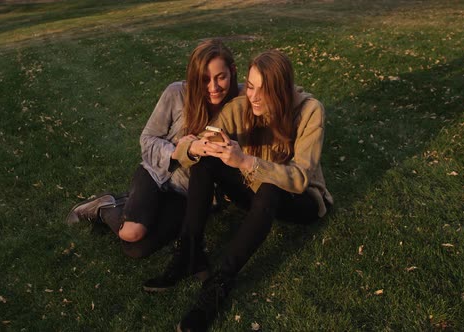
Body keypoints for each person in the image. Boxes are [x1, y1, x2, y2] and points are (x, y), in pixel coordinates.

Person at [143, 50, 333, 331]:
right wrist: (199, 146)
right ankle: (188, 252)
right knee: (206, 161)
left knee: (270, 187)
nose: (253, 96)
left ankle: (220, 283)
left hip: (301, 200)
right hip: (253, 190)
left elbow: (299, 177)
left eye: (263, 90)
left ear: (281, 90)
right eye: (251, 85)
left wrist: (245, 161)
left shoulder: (309, 111)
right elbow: (201, 142)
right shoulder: (241, 107)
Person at [65, 39, 239, 259]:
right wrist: (177, 152)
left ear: (232, 71)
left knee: (137, 249)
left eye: (220, 77)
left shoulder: (241, 102)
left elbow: (274, 91)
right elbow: (147, 139)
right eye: (205, 79)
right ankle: (105, 206)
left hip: (186, 193)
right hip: (156, 174)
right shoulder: (177, 93)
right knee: (132, 233)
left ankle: (126, 205)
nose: (213, 88)